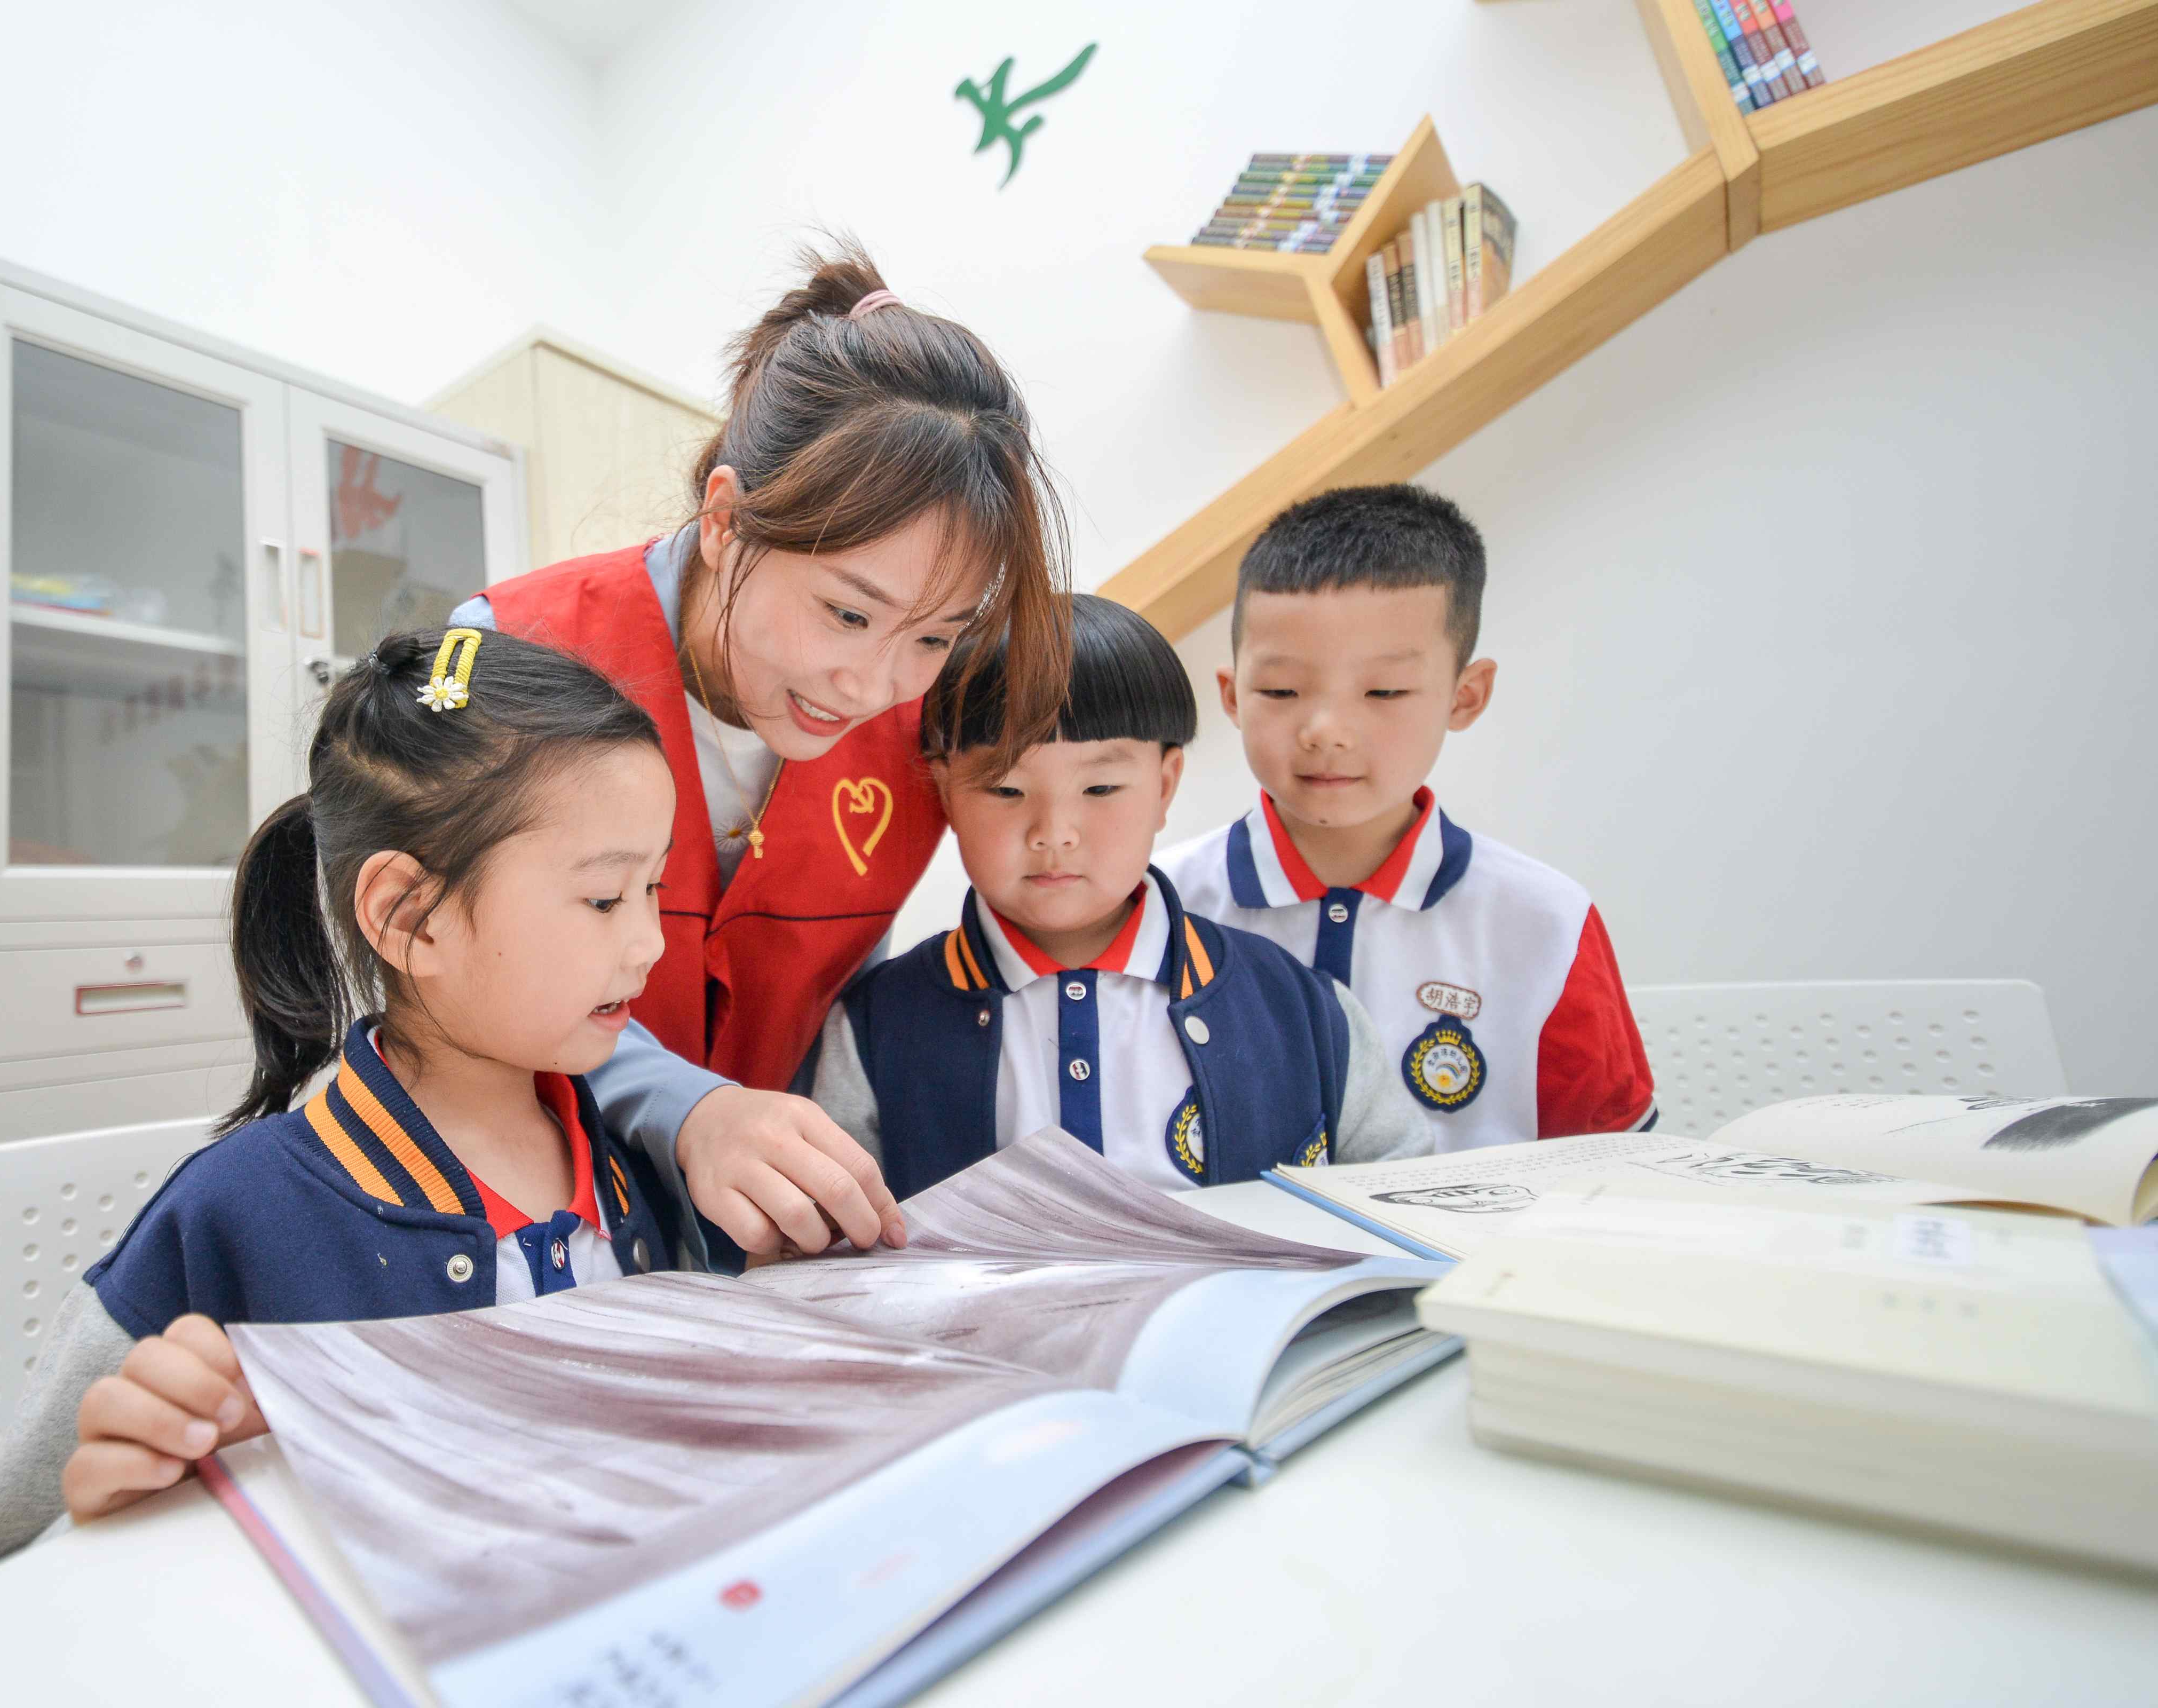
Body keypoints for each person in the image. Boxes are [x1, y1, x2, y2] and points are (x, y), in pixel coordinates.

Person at [0, 626, 894, 1587]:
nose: (650, 943)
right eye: (606, 899)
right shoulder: (231, 1218)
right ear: (408, 915)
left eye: (655, 888)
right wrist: (142, 1526)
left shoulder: (639, 1169)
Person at [450, 241, 1069, 1264]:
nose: (871, 687)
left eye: (934, 636)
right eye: (846, 613)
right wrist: (690, 1110)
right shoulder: (511, 652)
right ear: (726, 519)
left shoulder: (925, 730)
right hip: (519, 1229)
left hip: (761, 1256)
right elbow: (463, 979)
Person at [803, 595, 1429, 1198]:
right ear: (946, 791)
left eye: (1100, 788)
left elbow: (1406, 1201)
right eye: (1006, 789)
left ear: (1164, 786)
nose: (1054, 832)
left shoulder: (1300, 1007)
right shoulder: (878, 1025)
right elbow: (836, 1234)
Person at [1157, 485, 1656, 1154]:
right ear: (1232, 695)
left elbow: (1615, 1170)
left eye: (1384, 691)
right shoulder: (1160, 903)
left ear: (1466, 695)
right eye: (1281, 690)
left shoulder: (1546, 922)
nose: (1326, 730)